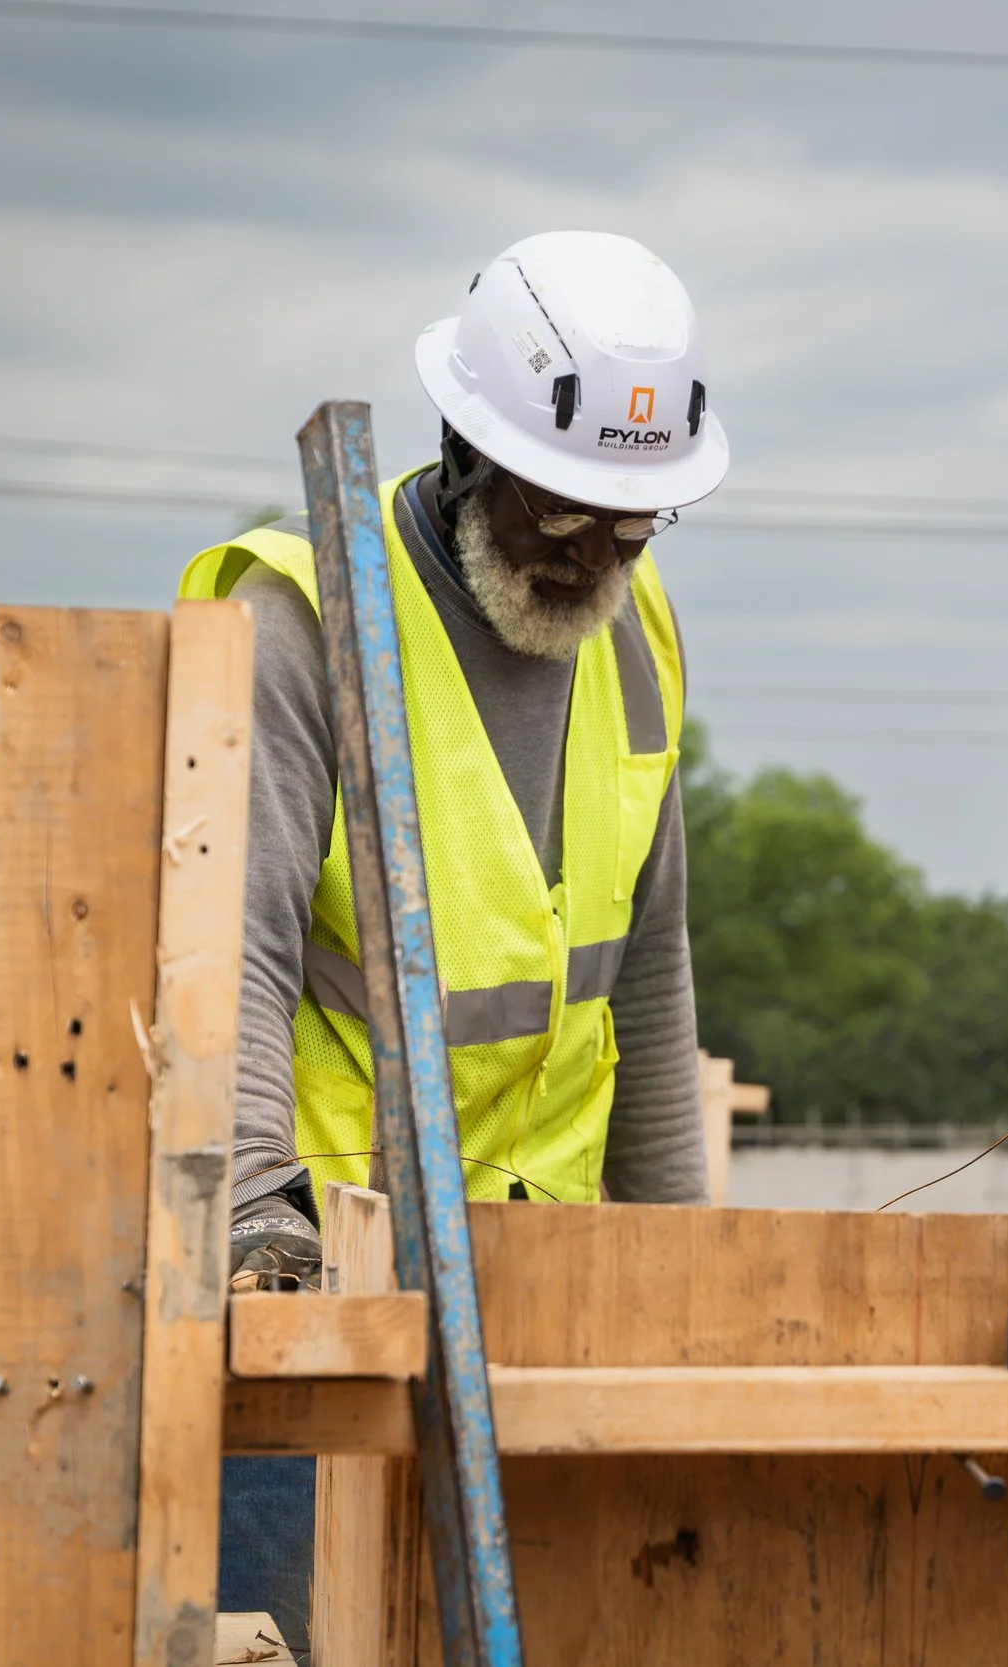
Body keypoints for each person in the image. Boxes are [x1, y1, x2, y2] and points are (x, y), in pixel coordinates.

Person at [176, 230, 726, 1651]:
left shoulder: (636, 625)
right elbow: (221, 950)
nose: (594, 552)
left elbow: (648, 976)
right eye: (561, 512)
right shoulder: (302, 619)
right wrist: (256, 1238)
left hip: (546, 1281)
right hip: (320, 1285)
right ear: (467, 449)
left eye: (631, 519)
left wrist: (681, 1270)